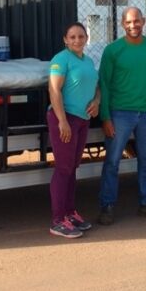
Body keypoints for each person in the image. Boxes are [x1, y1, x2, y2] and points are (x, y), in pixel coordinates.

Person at [97, 7, 146, 225]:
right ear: (122, 24)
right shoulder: (113, 51)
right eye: (129, 22)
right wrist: (106, 117)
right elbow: (105, 85)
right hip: (119, 113)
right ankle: (107, 206)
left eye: (137, 21)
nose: (133, 25)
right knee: (112, 161)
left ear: (144, 21)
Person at [47, 22, 100, 239]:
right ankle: (58, 220)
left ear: (86, 38)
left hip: (82, 119)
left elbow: (96, 86)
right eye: (72, 37)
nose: (77, 40)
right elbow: (54, 89)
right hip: (65, 118)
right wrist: (62, 121)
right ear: (65, 40)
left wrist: (97, 101)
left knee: (72, 167)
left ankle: (70, 213)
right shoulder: (61, 60)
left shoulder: (87, 61)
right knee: (63, 168)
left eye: (81, 36)